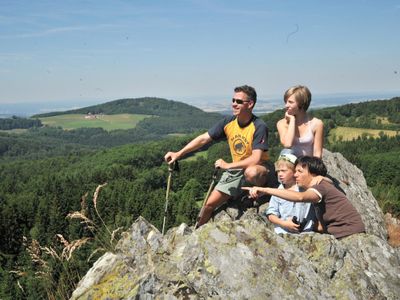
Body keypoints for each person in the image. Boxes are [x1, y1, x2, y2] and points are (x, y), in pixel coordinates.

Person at [164, 85, 274, 227]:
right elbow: (203, 139)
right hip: (237, 170)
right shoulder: (228, 122)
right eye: (233, 100)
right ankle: (196, 232)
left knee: (251, 172)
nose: (234, 104)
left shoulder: (259, 126)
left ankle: (263, 194)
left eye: (239, 101)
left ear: (250, 104)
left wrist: (228, 165)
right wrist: (178, 154)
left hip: (260, 168)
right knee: (209, 204)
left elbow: (256, 158)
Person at [244, 156, 365, 239]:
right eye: (295, 171)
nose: (295, 175)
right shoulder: (321, 184)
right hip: (344, 233)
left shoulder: (320, 187)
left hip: (350, 234)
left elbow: (300, 197)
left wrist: (265, 190)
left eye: (300, 171)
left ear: (312, 173)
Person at [265, 152, 316, 234]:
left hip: (306, 232)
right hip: (283, 232)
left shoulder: (305, 188)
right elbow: (271, 213)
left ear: (294, 171)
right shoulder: (279, 191)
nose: (280, 174)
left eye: (283, 171)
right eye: (278, 171)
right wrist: (284, 223)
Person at [276, 85, 324, 158]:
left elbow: (317, 153)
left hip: (307, 165)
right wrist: (292, 120)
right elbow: (287, 144)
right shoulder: (281, 123)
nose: (286, 105)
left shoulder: (317, 124)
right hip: (289, 166)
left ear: (301, 103)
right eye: (286, 102)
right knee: (286, 152)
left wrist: (312, 168)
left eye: (290, 102)